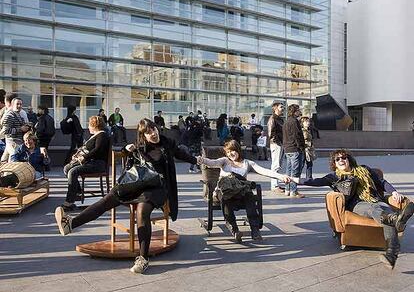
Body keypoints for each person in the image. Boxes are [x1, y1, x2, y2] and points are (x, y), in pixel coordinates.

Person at [54, 118, 197, 274]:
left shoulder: (167, 143)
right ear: (143, 135)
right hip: (136, 185)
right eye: (148, 132)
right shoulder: (139, 147)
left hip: (157, 188)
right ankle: (71, 224)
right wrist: (126, 149)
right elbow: (122, 154)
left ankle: (143, 259)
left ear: (157, 128)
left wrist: (200, 160)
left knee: (142, 212)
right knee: (106, 201)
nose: (153, 133)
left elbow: (183, 154)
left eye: (153, 129)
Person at [290, 149, 414, 269]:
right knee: (377, 211)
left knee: (386, 214)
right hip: (357, 205)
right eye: (337, 159)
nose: (341, 160)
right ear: (334, 164)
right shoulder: (334, 177)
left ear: (349, 159)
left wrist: (394, 193)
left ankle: (391, 255)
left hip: (376, 200)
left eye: (344, 157)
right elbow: (314, 181)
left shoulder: (364, 170)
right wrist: (293, 179)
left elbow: (381, 182)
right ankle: (396, 221)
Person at [198, 140, 289, 242]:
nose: (230, 154)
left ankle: (255, 230)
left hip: (240, 191)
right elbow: (212, 163)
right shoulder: (224, 161)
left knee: (249, 195)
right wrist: (202, 160)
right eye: (228, 152)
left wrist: (281, 177)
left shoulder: (247, 163)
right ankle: (234, 229)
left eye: (232, 151)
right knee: (225, 196)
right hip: (225, 191)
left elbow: (264, 171)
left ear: (238, 150)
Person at [61, 116, 110, 211]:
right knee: (67, 168)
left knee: (72, 172)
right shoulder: (96, 136)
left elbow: (97, 150)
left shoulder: (102, 135)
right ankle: (78, 192)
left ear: (94, 126)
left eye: (89, 125)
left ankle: (69, 202)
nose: (88, 127)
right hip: (91, 162)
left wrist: (83, 157)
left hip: (97, 164)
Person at [283, 104, 305, 198]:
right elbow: (297, 135)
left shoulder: (286, 121)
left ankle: (287, 190)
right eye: (298, 110)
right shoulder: (294, 121)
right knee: (295, 171)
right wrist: (301, 146)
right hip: (295, 148)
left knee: (288, 170)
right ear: (294, 111)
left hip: (288, 149)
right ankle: (293, 191)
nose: (299, 111)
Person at [1, 97, 31, 162]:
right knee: (13, 161)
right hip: (12, 142)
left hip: (17, 142)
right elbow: (5, 131)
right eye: (17, 104)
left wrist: (27, 126)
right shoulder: (9, 115)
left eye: (20, 104)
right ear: (12, 105)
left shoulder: (17, 114)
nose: (19, 106)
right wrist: (20, 129)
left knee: (4, 161)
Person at [268, 102, 286, 193]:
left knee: (278, 165)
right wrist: (277, 142)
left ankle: (276, 184)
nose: (283, 108)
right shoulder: (273, 118)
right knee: (275, 165)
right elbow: (271, 133)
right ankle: (274, 185)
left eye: (283, 107)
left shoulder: (280, 119)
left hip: (280, 143)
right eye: (281, 107)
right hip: (276, 144)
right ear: (275, 108)